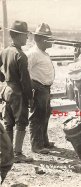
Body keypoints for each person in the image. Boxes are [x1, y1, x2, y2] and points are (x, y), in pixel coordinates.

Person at [0, 20, 34, 163]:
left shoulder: (5, 51)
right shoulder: (21, 55)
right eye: (25, 35)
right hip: (18, 93)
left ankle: (8, 152)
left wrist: (3, 77)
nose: (27, 38)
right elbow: (25, 81)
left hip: (6, 90)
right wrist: (30, 97)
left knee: (8, 122)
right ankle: (18, 153)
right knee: (21, 122)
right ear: (18, 36)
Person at [27, 23, 55, 154]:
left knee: (45, 115)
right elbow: (26, 73)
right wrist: (31, 91)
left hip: (45, 88)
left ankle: (44, 142)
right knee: (37, 117)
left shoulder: (43, 53)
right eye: (49, 38)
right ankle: (36, 145)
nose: (51, 41)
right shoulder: (33, 53)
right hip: (38, 88)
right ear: (42, 39)